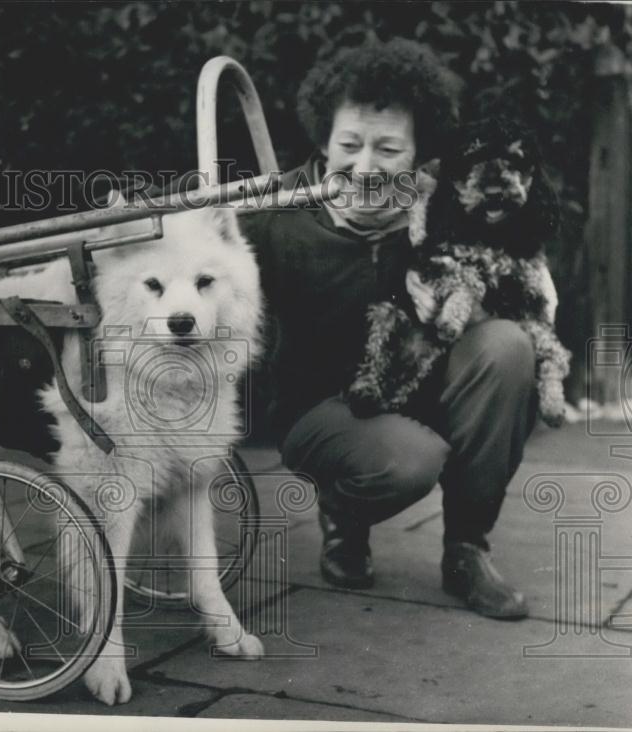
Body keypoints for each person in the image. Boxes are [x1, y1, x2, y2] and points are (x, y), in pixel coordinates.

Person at [242, 38, 538, 619]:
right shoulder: (278, 219)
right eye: (348, 145)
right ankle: (344, 517)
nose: (365, 166)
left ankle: (466, 551)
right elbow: (191, 240)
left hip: (419, 390)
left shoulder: (448, 213)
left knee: (508, 347)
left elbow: (515, 281)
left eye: (389, 148)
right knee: (410, 461)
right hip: (323, 414)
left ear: (419, 155)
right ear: (324, 143)